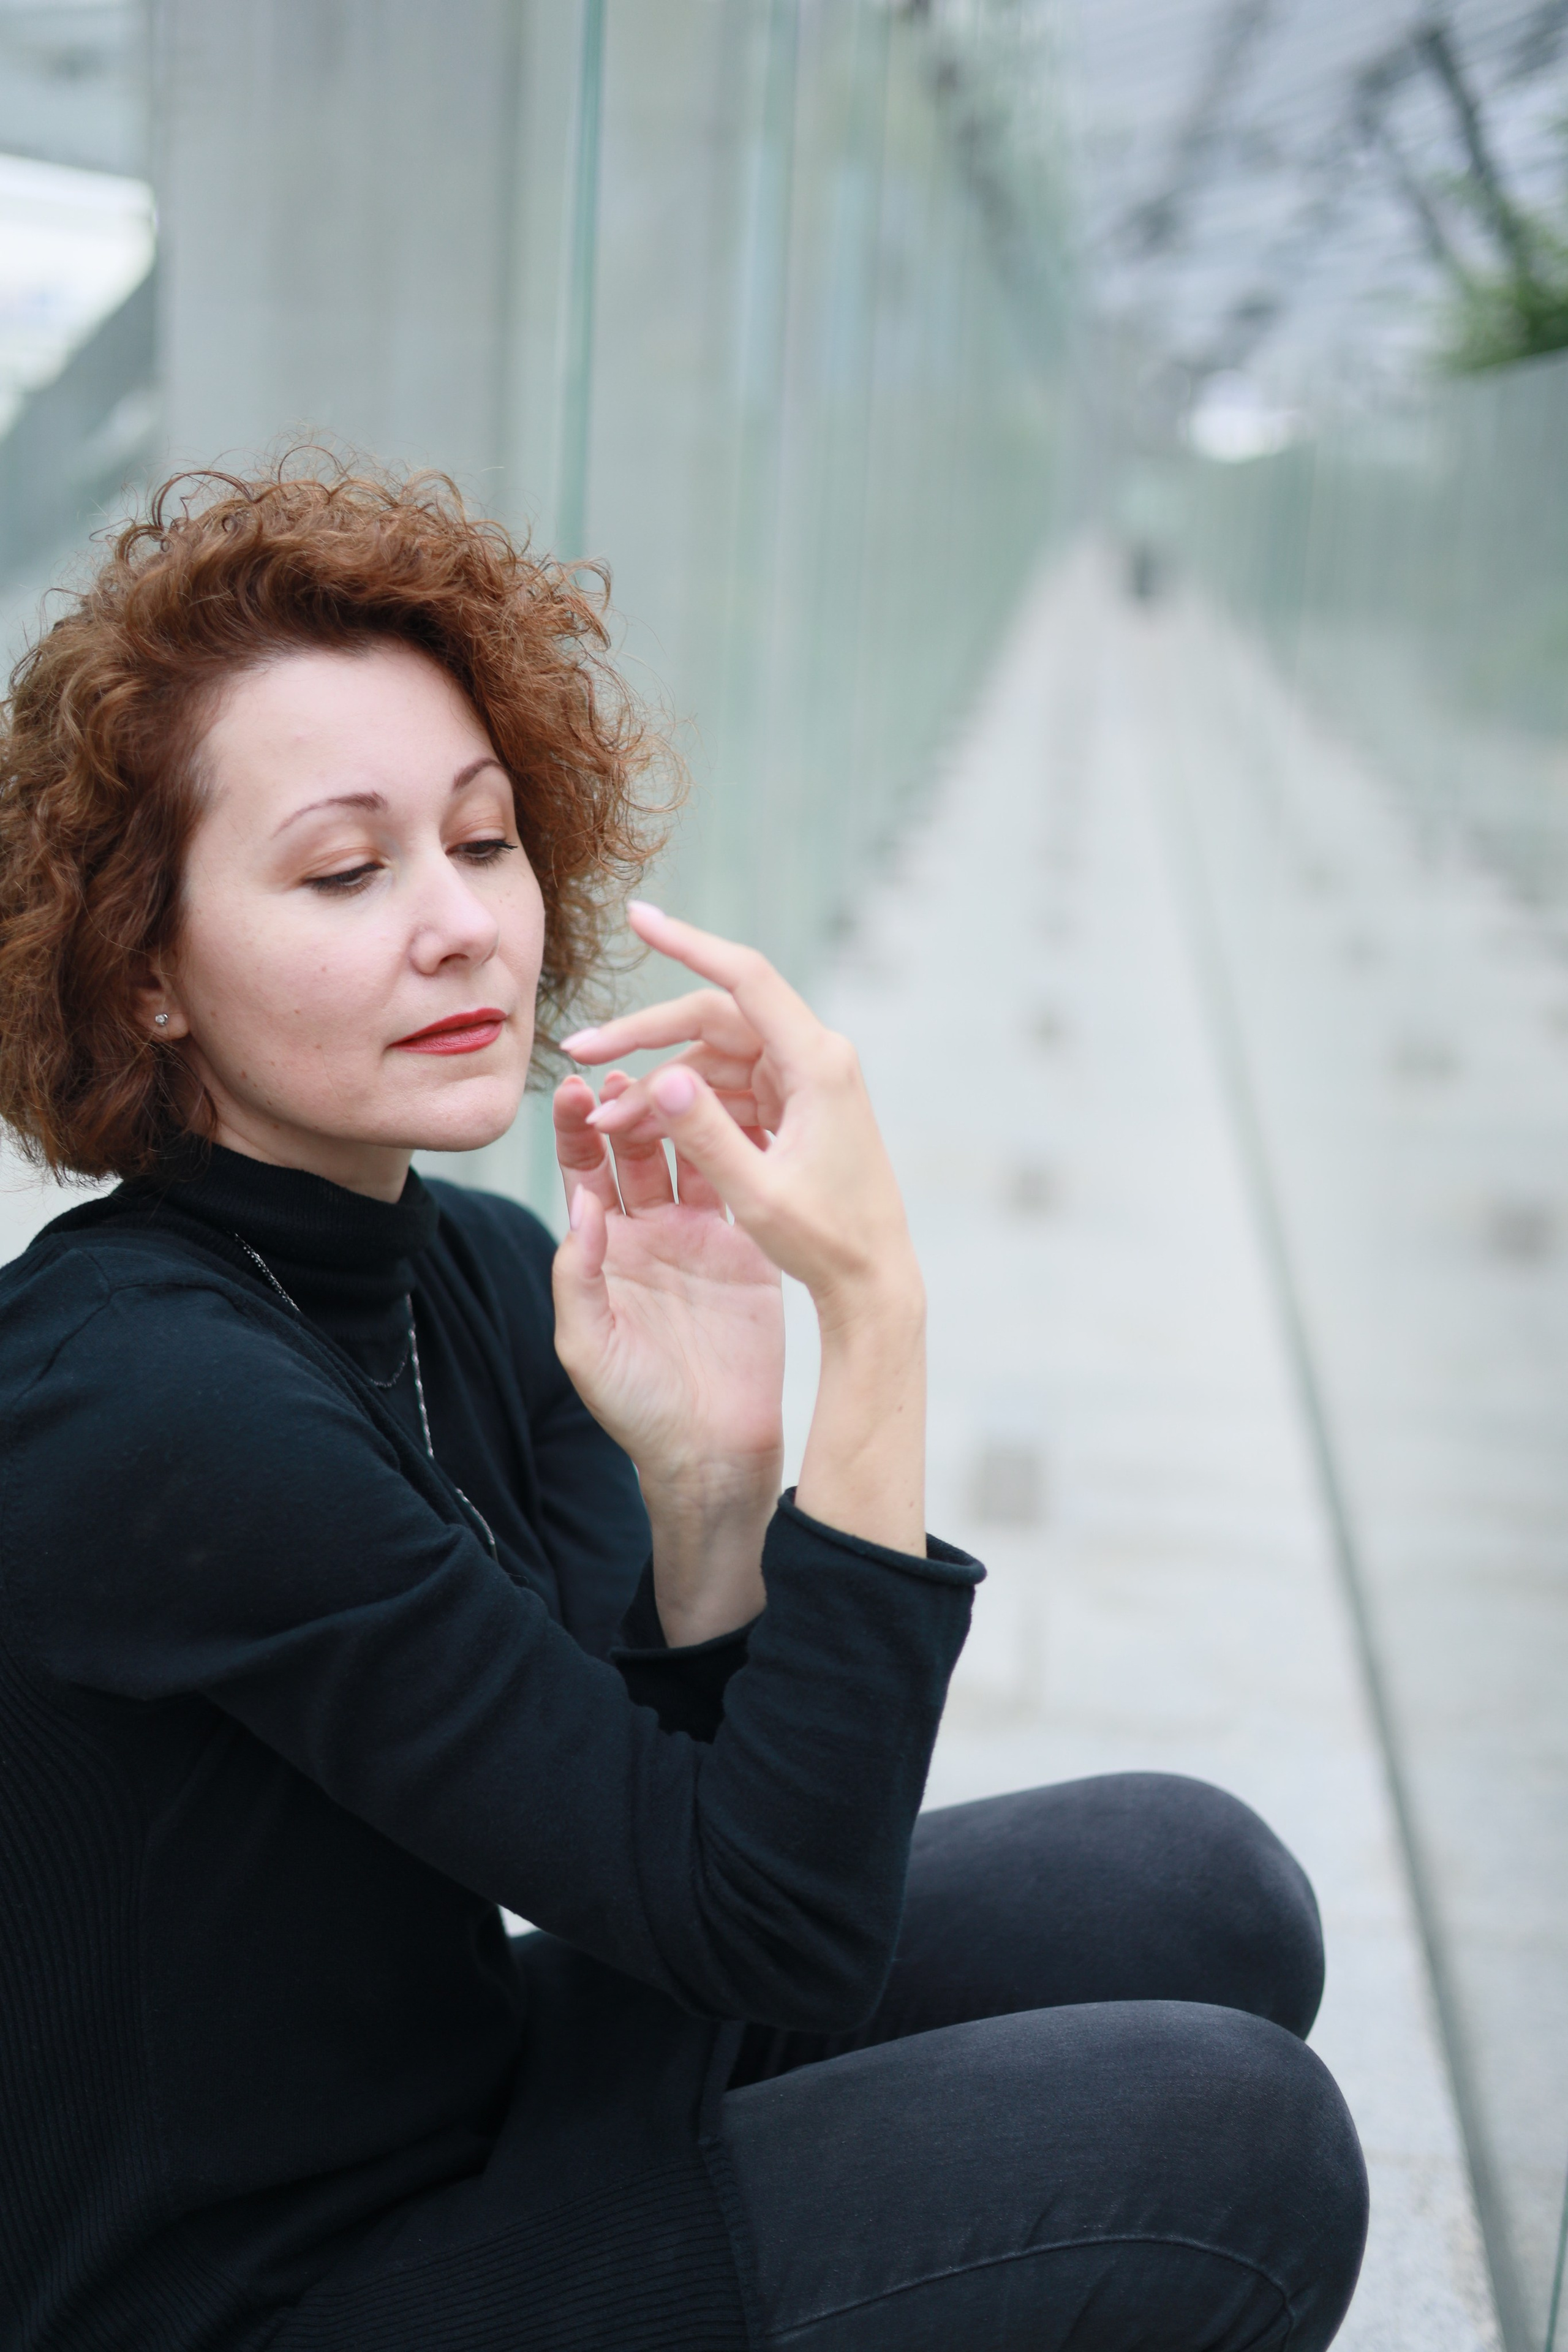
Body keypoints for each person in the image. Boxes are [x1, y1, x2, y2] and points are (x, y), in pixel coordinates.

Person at [0, 464, 1367, 2352]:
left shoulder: (464, 1274)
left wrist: (716, 1493)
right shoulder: (144, 1403)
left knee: (1198, 1885)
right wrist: (872, 1322)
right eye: (343, 871)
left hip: (451, 2106)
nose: (461, 924)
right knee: (1237, 2148)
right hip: (259, 2293)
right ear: (144, 968)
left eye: (481, 844)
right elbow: (768, 1927)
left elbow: (685, 1863)